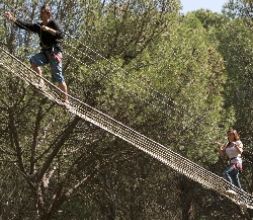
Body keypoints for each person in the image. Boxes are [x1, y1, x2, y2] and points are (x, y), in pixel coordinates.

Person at [4, 4, 68, 103]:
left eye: (43, 13)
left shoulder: (53, 24)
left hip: (55, 53)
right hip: (45, 53)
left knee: (58, 76)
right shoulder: (39, 26)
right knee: (33, 61)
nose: (41, 15)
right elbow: (25, 26)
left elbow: (61, 35)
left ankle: (66, 100)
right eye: (41, 13)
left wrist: (48, 29)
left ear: (48, 14)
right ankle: (41, 81)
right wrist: (12, 18)